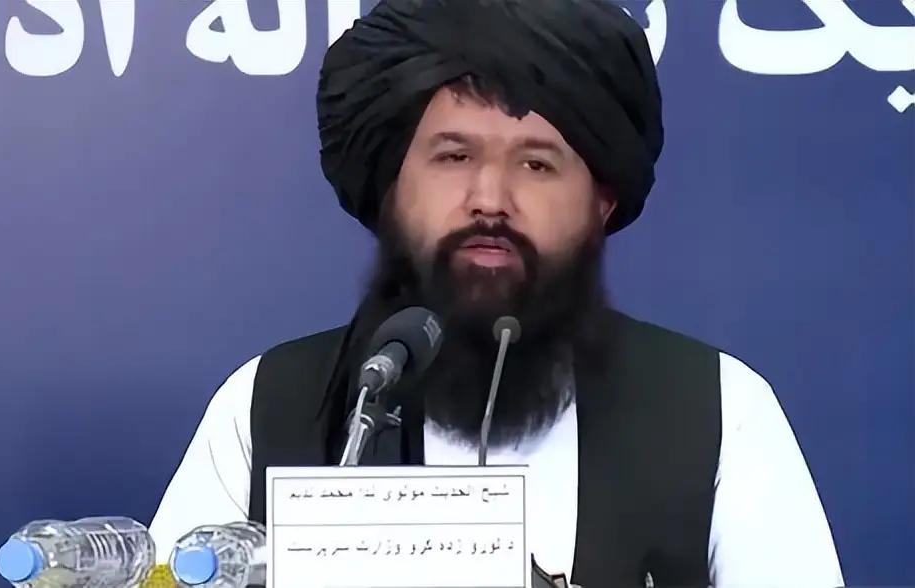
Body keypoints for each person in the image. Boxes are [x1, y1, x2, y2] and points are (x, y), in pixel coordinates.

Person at [150, 1, 844, 585]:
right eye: (454, 157)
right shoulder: (269, 403)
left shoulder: (719, 411)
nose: (490, 199)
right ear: (391, 187)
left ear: (601, 200)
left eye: (536, 164)